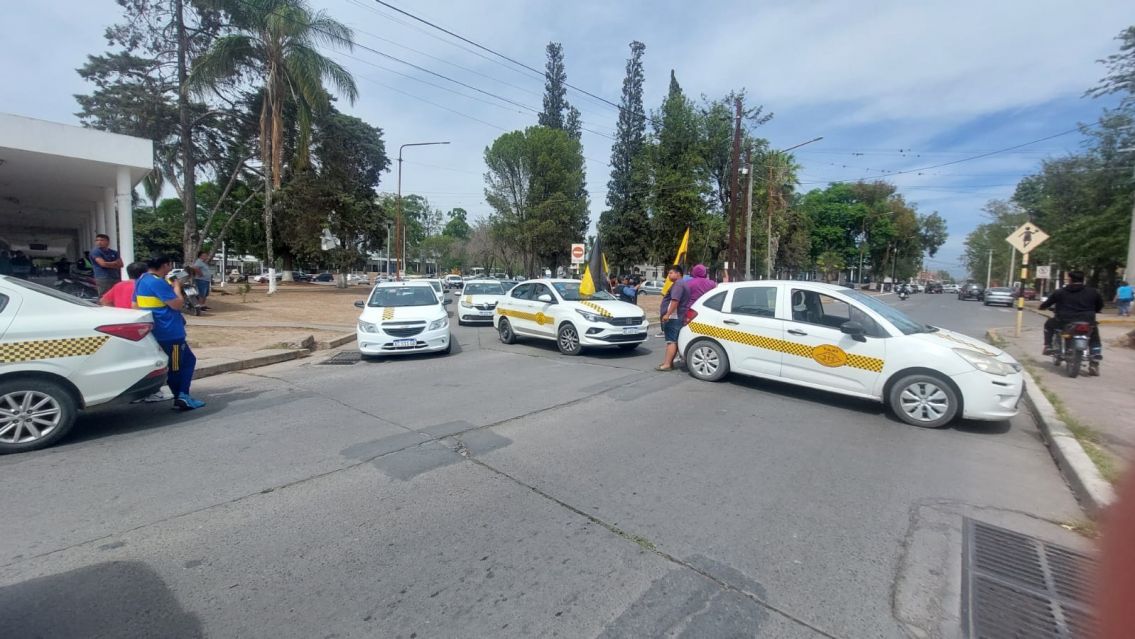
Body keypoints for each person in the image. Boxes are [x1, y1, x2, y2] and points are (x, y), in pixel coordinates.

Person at [134, 254, 206, 411]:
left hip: (157, 331)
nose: (170, 269)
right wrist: (177, 288)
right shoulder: (158, 283)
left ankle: (180, 396)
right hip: (171, 334)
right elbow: (177, 304)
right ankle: (182, 397)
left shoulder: (142, 280)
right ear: (165, 265)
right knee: (179, 364)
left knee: (178, 364)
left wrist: (185, 274)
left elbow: (135, 304)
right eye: (169, 265)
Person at [1039, 270, 1103, 360]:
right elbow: (1100, 305)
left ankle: (1048, 346)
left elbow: (1048, 303)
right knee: (1093, 334)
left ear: (1070, 280)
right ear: (1083, 280)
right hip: (1087, 320)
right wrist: (1096, 310)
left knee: (1048, 325)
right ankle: (1096, 354)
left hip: (1064, 321)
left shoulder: (1060, 292)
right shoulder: (1093, 292)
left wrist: (1042, 307)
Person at [656, 265, 690, 372]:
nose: (668, 275)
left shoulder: (678, 284)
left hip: (674, 317)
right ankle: (669, 362)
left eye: (671, 273)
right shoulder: (682, 283)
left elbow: (675, 301)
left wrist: (667, 314)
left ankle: (667, 364)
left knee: (671, 341)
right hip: (678, 316)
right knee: (674, 340)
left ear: (678, 273)